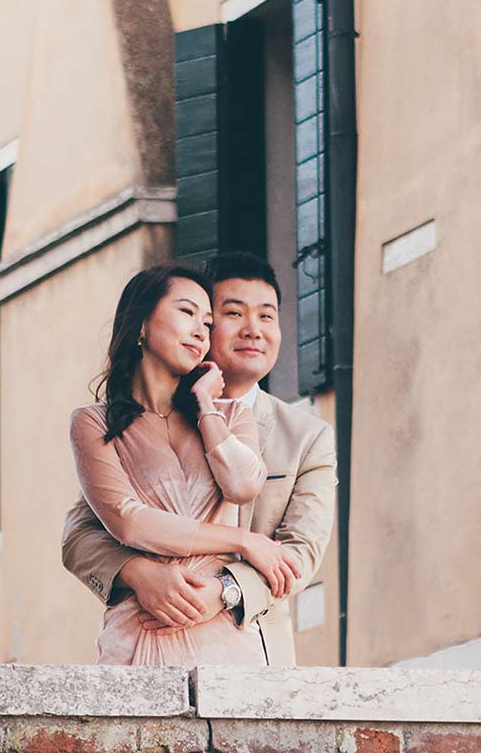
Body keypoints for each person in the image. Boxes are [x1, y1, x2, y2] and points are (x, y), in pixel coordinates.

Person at [63, 251, 336, 666]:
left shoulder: (308, 437)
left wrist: (225, 589)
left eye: (267, 316)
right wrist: (138, 574)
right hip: (145, 631)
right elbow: (82, 535)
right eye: (231, 313)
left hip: (248, 645)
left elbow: (299, 552)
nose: (253, 330)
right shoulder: (106, 423)